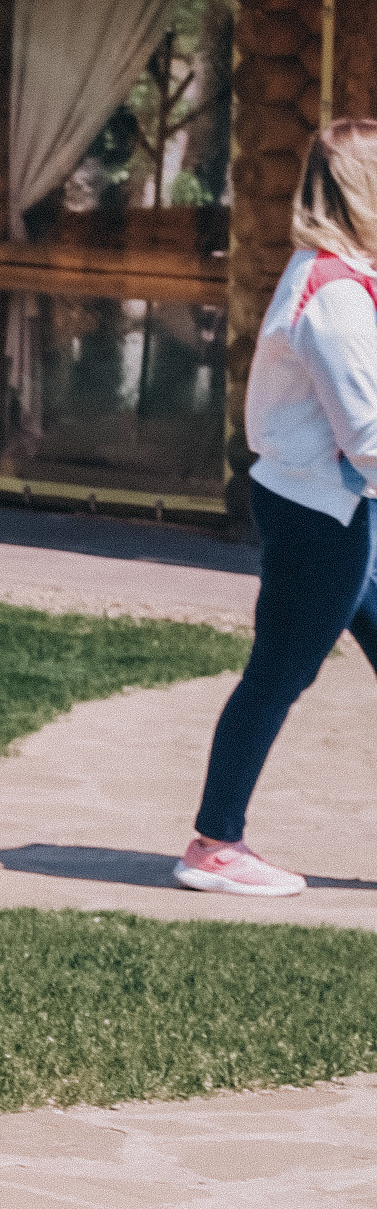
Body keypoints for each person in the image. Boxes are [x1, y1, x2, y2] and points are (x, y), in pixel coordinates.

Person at [177, 120, 377, 900]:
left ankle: (214, 838)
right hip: (317, 513)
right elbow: (366, 434)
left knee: (279, 672)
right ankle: (213, 844)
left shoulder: (340, 278)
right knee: (277, 674)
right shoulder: (332, 297)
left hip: (338, 506)